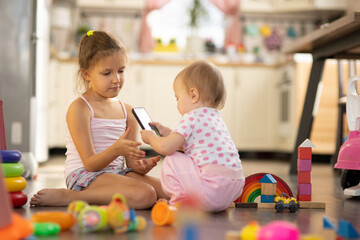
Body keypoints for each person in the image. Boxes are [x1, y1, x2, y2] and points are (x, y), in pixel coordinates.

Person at [30, 31, 168, 209]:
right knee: (146, 193)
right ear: (87, 74)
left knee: (169, 190)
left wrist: (141, 166)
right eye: (107, 73)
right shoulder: (80, 109)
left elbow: (131, 164)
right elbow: (90, 163)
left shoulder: (128, 111)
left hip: (117, 172)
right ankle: (70, 196)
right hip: (85, 175)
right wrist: (116, 149)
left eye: (121, 71)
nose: (116, 79)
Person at [140, 60, 245, 212]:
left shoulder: (192, 117)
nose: (177, 103)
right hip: (232, 189)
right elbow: (191, 144)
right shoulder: (214, 117)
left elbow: (166, 147)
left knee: (172, 159)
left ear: (193, 95)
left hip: (212, 190)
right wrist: (166, 132)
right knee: (185, 156)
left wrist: (151, 138)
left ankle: (179, 202)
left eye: (177, 98)